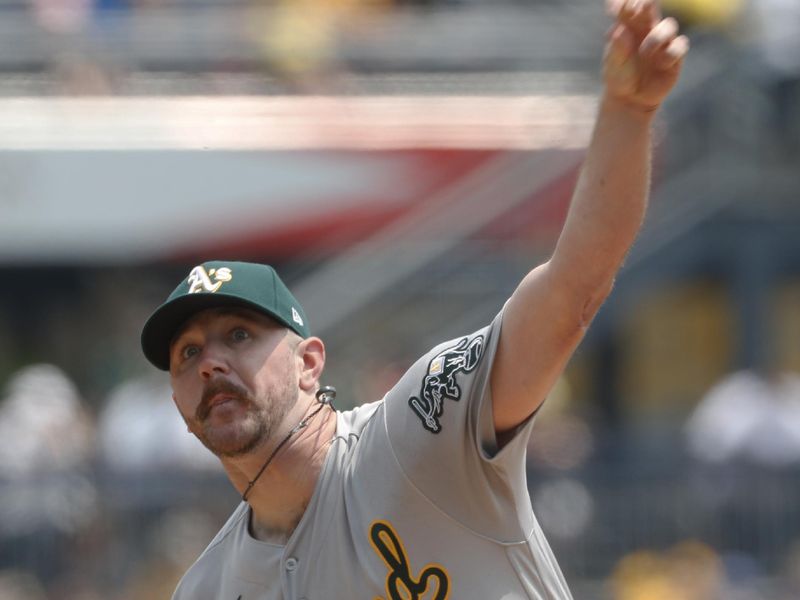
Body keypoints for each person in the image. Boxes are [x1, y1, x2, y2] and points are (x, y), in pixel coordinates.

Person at [139, 1, 689, 597]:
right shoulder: (207, 589)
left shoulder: (418, 430)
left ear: (308, 364)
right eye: (187, 354)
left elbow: (571, 292)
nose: (211, 362)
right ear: (178, 404)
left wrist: (629, 113)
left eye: (239, 335)